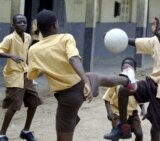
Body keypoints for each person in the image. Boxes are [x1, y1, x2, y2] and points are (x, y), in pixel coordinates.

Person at [27, 9, 131, 141]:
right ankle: (126, 80)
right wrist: (86, 82)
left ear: (39, 28)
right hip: (79, 86)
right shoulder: (65, 38)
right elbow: (73, 59)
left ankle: (125, 81)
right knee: (98, 78)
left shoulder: (34, 49)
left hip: (68, 97)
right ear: (55, 25)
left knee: (64, 132)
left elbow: (34, 74)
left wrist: (49, 66)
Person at [104, 17, 160, 141]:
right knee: (124, 90)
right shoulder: (155, 41)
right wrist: (117, 39)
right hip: (151, 83)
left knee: (155, 129)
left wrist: (157, 34)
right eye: (159, 30)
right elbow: (136, 42)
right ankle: (122, 126)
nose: (159, 32)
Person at [0, 14, 42, 141]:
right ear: (13, 25)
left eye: (24, 22)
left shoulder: (28, 37)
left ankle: (26, 131)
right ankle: (2, 134)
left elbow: (26, 53)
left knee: (34, 102)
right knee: (13, 106)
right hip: (14, 75)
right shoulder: (9, 39)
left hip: (26, 73)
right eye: (19, 22)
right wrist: (10, 55)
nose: (23, 24)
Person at [103, 57, 145, 141]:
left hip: (132, 114)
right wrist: (109, 112)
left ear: (135, 70)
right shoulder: (116, 82)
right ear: (121, 69)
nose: (127, 69)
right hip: (117, 113)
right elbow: (106, 98)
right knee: (116, 131)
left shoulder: (136, 84)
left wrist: (143, 109)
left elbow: (140, 99)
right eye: (125, 67)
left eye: (130, 67)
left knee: (139, 134)